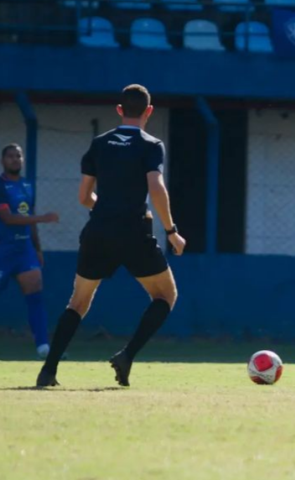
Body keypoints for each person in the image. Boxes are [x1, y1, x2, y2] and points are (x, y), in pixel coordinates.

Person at [36, 84, 186, 388]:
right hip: (133, 231)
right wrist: (171, 231)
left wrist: (106, 208)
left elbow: (83, 197)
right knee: (165, 296)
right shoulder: (151, 144)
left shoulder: (99, 143)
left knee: (77, 302)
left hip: (98, 230)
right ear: (149, 112)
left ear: (119, 110)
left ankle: (48, 371)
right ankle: (127, 355)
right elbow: (156, 187)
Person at [0, 143, 60, 358]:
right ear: (3, 161)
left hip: (24, 250)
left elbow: (28, 219)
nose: (15, 160)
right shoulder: (1, 185)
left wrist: (37, 248)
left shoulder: (27, 185)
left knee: (35, 295)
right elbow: (8, 218)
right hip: (3, 252)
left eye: (18, 156)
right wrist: (43, 218)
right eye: (10, 156)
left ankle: (44, 347)